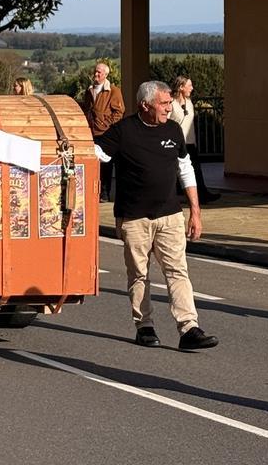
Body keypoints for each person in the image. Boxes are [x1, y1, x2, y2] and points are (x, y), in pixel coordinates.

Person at [93, 80, 219, 351]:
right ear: (145, 105)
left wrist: (195, 212)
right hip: (134, 217)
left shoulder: (173, 130)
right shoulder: (123, 131)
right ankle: (144, 326)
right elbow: (96, 155)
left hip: (170, 215)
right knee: (139, 274)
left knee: (178, 271)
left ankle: (189, 328)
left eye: (169, 102)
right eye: (163, 103)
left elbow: (185, 169)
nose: (168, 108)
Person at [168, 75, 219, 204]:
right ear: (181, 87)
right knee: (174, 170)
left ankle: (202, 194)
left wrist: (194, 141)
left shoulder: (189, 102)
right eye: (189, 85)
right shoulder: (171, 103)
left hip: (189, 142)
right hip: (175, 143)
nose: (192, 88)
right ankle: (174, 195)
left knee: (195, 169)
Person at [79, 62, 125, 202]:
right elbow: (86, 109)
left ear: (105, 74)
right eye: (95, 71)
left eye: (99, 72)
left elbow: (119, 112)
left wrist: (106, 123)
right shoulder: (89, 91)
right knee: (93, 162)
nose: (96, 74)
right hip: (91, 132)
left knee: (106, 164)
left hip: (106, 133)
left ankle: (104, 193)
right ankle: (94, 191)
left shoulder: (113, 91)